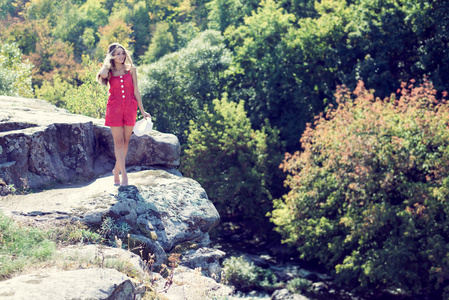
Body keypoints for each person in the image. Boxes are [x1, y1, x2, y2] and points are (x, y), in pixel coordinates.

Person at [97, 42, 151, 186]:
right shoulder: (109, 72)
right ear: (112, 56)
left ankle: (116, 169)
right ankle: (124, 175)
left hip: (130, 108)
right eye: (117, 54)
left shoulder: (131, 69)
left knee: (126, 141)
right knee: (118, 142)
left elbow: (136, 91)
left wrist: (142, 110)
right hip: (114, 109)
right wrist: (107, 62)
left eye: (122, 53)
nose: (121, 56)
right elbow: (102, 74)